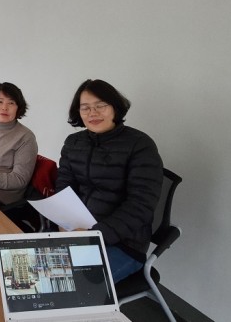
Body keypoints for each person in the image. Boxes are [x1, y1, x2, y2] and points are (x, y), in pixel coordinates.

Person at [56, 79, 163, 283]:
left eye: (100, 106)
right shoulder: (74, 142)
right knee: (32, 272)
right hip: (77, 230)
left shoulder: (140, 145)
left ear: (115, 107)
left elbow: (141, 205)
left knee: (72, 285)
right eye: (85, 108)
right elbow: (64, 185)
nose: (93, 113)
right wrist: (65, 221)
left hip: (123, 242)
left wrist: (95, 235)